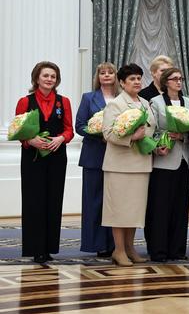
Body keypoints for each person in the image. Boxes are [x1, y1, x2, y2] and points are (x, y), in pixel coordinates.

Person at [15, 61, 74, 264]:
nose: (49, 79)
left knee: (53, 200)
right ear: (36, 78)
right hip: (32, 158)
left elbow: (69, 129)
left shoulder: (63, 101)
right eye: (45, 76)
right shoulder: (25, 101)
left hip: (57, 156)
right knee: (34, 201)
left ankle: (49, 248)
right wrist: (30, 140)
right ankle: (35, 248)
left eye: (53, 76)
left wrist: (61, 138)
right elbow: (17, 130)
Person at [101, 63, 155, 267]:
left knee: (134, 210)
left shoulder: (144, 102)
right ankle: (119, 249)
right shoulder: (115, 104)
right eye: (132, 79)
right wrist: (132, 137)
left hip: (141, 162)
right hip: (120, 165)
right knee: (119, 210)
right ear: (122, 83)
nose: (137, 82)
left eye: (139, 78)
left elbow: (150, 127)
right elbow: (107, 134)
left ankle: (131, 247)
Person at [146, 67, 189, 262]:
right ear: (166, 82)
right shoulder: (155, 103)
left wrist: (183, 135)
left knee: (180, 206)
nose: (178, 82)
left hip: (184, 159)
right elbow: (151, 128)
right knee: (160, 207)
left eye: (180, 79)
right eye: (174, 79)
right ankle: (159, 250)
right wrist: (159, 145)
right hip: (164, 160)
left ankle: (177, 250)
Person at [75, 62, 118, 257]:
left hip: (118, 154)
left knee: (114, 201)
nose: (106, 75)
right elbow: (80, 125)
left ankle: (114, 244)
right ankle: (96, 244)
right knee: (94, 201)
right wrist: (97, 134)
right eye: (103, 73)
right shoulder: (88, 98)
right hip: (94, 155)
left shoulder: (122, 99)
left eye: (110, 72)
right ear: (97, 76)